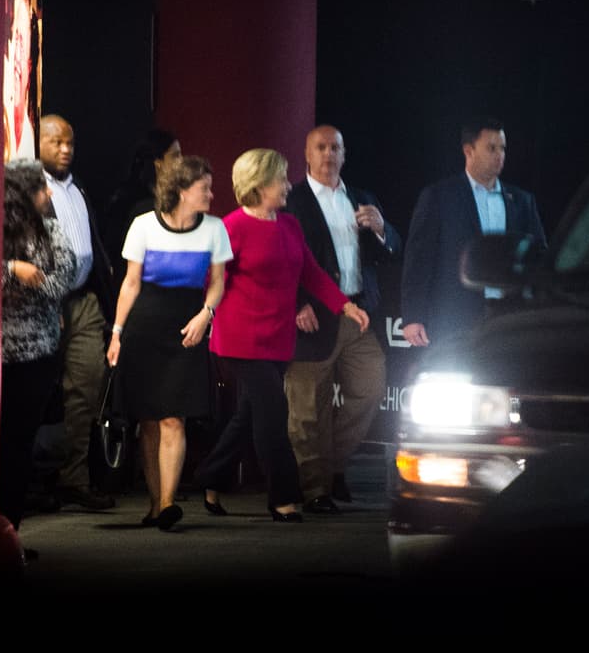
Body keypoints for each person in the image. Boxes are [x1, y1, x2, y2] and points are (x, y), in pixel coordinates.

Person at [192, 148, 370, 523]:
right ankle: (283, 498)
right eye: (281, 179)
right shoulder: (231, 228)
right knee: (274, 413)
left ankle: (209, 479)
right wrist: (206, 314)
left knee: (248, 415)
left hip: (277, 338)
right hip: (240, 340)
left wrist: (345, 306)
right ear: (258, 185)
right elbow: (211, 282)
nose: (288, 185)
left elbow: (312, 273)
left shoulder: (289, 225)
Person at [105, 156, 231, 531]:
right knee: (148, 419)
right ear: (180, 191)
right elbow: (130, 283)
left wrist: (205, 315)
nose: (211, 193)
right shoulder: (143, 226)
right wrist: (116, 332)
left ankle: (167, 503)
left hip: (186, 327)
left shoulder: (215, 228)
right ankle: (154, 504)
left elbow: (219, 281)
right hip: (145, 327)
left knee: (175, 417)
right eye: (203, 187)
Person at [283, 125, 401, 513]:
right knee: (306, 408)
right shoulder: (293, 200)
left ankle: (331, 467)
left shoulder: (361, 198)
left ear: (345, 154)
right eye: (321, 147)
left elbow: (391, 250)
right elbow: (283, 258)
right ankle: (314, 488)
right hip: (312, 315)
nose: (329, 154)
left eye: (336, 147)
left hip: (356, 311)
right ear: (307, 154)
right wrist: (298, 303)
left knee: (370, 386)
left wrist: (382, 229)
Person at [401, 119, 545, 349]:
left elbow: (539, 256)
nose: (500, 155)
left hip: (510, 315)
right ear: (468, 150)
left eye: (502, 148)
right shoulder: (439, 197)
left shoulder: (521, 201)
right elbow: (419, 259)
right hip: (455, 314)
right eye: (491, 148)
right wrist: (412, 315)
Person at [38, 114, 119, 510]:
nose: (65, 149)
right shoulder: (28, 189)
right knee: (35, 394)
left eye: (70, 142)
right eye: (56, 142)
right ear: (38, 143)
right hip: (43, 304)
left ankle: (76, 479)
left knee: (87, 387)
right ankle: (32, 484)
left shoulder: (79, 187)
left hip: (84, 299)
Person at [0, 159, 75, 538]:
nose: (48, 194)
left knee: (19, 445)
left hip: (38, 356)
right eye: (40, 187)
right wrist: (14, 270)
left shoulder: (53, 231)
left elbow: (62, 281)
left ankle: (10, 533)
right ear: (20, 193)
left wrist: (31, 280)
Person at [103, 128, 182, 276]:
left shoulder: (173, 198)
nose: (181, 162)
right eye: (175, 156)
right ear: (158, 163)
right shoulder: (134, 203)